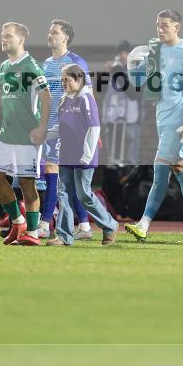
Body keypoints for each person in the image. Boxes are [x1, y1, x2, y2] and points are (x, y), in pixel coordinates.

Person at [124, 9, 183, 245]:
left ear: (177, 27)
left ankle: (143, 224)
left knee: (160, 172)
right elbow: (139, 83)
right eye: (157, 25)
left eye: (165, 25)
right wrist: (133, 66)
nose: (160, 29)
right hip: (161, 121)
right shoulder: (154, 50)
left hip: (178, 123)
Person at [0, 22, 51, 246]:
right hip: (6, 133)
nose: (3, 39)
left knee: (27, 184)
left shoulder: (31, 66)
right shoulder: (3, 67)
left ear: (21, 40)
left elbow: (46, 98)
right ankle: (18, 222)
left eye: (8, 36)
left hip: (27, 135)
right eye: (2, 36)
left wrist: (42, 127)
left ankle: (33, 233)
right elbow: (4, 100)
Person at [46, 63, 118, 246]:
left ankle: (109, 225)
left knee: (84, 195)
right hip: (65, 155)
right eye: (62, 80)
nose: (63, 83)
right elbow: (62, 127)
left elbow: (94, 128)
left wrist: (87, 155)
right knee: (63, 195)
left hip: (84, 157)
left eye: (67, 79)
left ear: (78, 80)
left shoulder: (86, 99)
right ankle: (64, 236)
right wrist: (44, 134)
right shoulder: (64, 100)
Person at [38, 19, 93, 240]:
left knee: (52, 171)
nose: (50, 35)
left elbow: (87, 95)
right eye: (49, 31)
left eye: (54, 32)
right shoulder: (45, 64)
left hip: (68, 127)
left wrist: (86, 126)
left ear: (65, 37)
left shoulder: (76, 62)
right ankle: (85, 227)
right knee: (66, 180)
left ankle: (45, 224)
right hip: (49, 126)